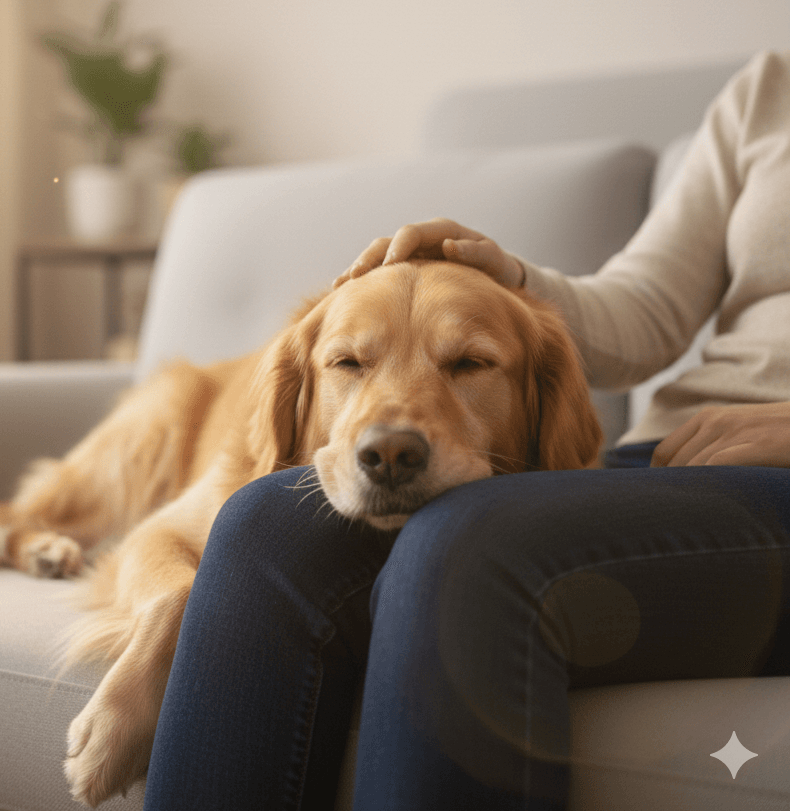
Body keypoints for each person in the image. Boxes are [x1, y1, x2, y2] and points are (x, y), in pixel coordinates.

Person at [142, 51, 790, 810]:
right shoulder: (768, 87)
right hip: (678, 458)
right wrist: (504, 282)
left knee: (464, 541)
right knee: (266, 523)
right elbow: (647, 309)